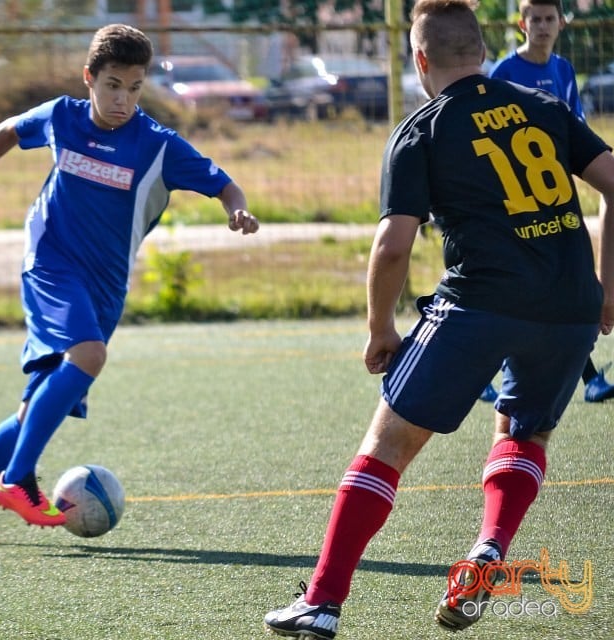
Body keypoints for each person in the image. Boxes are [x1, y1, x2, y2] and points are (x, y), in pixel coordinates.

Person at [263, 0, 614, 637]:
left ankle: (321, 602)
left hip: (478, 303)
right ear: (481, 52)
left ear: (420, 59)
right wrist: (607, 288)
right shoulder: (546, 108)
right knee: (523, 431)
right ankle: (488, 551)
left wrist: (380, 329)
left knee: (386, 447)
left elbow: (394, 244)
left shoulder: (424, 128)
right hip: (569, 308)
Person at [0, 23, 259, 543]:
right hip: (50, 262)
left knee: (37, 407)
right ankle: (16, 480)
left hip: (105, 287)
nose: (123, 100)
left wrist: (238, 209)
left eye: (135, 89)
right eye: (113, 85)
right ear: (89, 78)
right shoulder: (62, 117)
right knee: (88, 356)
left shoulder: (157, 145)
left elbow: (224, 184)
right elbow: (7, 130)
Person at [484, 0, 614, 403]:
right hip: (517, 200)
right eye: (534, 19)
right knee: (516, 285)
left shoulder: (563, 70)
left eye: (548, 18)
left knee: (562, 283)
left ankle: (589, 378)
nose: (541, 26)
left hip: (557, 195)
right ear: (522, 24)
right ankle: (490, 369)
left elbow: (573, 128)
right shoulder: (504, 73)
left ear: (561, 23)